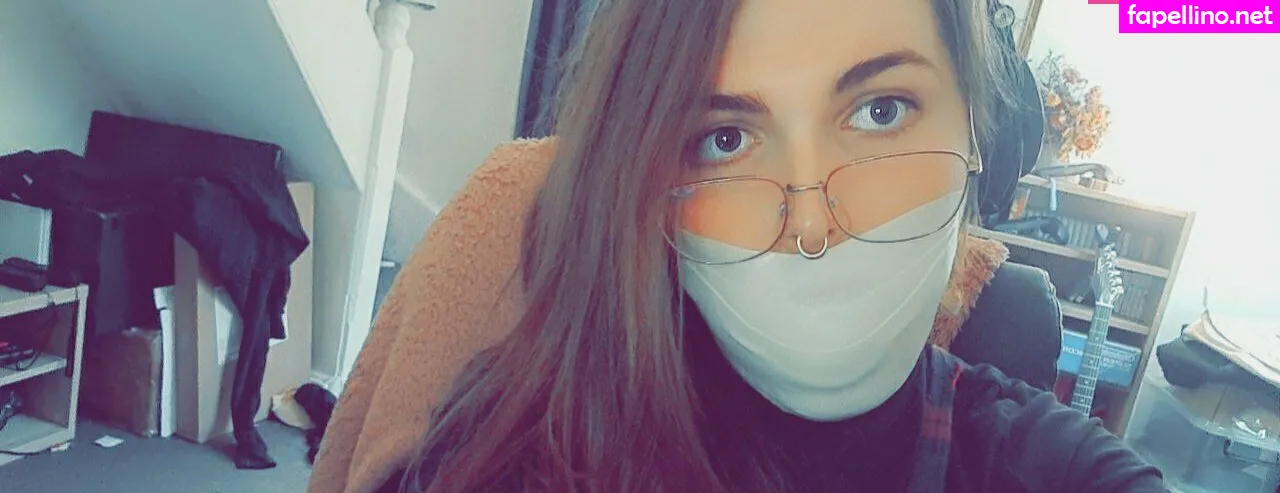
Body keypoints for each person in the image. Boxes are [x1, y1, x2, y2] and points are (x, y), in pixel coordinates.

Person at [384, 0, 1166, 491]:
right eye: (725, 138)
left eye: (882, 111)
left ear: (976, 138)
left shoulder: (1045, 468)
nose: (813, 224)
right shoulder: (519, 443)